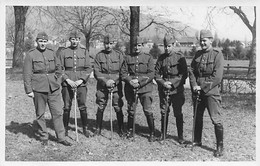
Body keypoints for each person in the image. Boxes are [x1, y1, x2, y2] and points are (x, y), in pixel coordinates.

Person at [23, 32, 72, 146]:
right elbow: (27, 73)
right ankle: (44, 136)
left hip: (53, 87)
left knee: (58, 112)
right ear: (37, 42)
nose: (43, 44)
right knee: (40, 114)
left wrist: (58, 80)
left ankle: (61, 137)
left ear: (47, 42)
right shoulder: (31, 54)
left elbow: (59, 67)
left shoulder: (52, 53)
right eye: (41, 41)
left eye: (45, 41)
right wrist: (29, 90)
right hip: (38, 88)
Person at [188, 29, 224, 157]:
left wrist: (201, 87)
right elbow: (191, 70)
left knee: (216, 119)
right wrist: (194, 85)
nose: (202, 43)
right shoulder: (197, 54)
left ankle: (220, 146)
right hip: (197, 91)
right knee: (197, 116)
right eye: (201, 41)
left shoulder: (217, 54)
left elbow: (217, 77)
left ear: (211, 40)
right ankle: (197, 140)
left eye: (204, 41)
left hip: (211, 92)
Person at [58, 31, 93, 137]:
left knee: (82, 106)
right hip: (67, 83)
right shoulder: (64, 52)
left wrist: (81, 80)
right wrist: (67, 80)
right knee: (66, 107)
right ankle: (65, 129)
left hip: (80, 83)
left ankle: (85, 129)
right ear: (70, 40)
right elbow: (59, 68)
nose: (75, 41)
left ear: (79, 40)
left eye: (77, 39)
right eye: (73, 39)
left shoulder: (84, 51)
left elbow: (88, 68)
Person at [121, 37, 155, 142]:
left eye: (139, 45)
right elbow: (123, 73)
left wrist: (139, 82)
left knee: (147, 110)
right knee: (131, 110)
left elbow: (151, 73)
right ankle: (130, 130)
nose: (136, 48)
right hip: (130, 88)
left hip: (145, 88)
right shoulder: (127, 58)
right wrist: (130, 81)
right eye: (135, 46)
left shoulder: (148, 57)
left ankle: (152, 132)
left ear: (143, 46)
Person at [154, 35, 188, 144]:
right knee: (164, 112)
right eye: (165, 46)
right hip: (164, 90)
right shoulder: (161, 58)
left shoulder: (179, 57)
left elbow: (184, 74)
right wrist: (164, 83)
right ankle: (163, 134)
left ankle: (180, 136)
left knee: (178, 113)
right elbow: (156, 73)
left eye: (169, 46)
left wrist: (172, 84)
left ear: (173, 45)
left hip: (176, 90)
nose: (167, 48)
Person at [93, 34, 125, 137]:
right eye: (106, 44)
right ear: (103, 44)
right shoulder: (99, 55)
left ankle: (120, 129)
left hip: (116, 85)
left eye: (111, 43)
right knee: (101, 105)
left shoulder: (119, 55)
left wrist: (114, 81)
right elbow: (97, 71)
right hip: (102, 86)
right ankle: (98, 129)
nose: (108, 46)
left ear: (114, 43)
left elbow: (122, 71)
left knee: (118, 106)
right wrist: (106, 81)